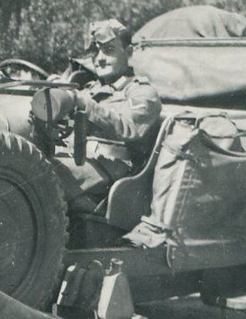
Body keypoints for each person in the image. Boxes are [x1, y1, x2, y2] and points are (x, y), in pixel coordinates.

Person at [31, 19, 163, 213]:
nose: (100, 58)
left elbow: (128, 128)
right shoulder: (88, 90)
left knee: (34, 177)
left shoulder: (142, 93)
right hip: (78, 162)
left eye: (109, 50)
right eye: (95, 52)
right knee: (20, 166)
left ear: (128, 53)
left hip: (115, 172)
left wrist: (80, 102)